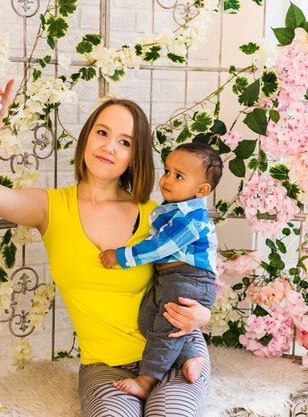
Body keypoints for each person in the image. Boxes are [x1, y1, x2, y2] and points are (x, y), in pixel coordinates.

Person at [0, 74, 212, 417]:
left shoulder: (157, 216)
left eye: (125, 142)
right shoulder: (50, 207)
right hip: (105, 369)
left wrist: (202, 315)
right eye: (102, 133)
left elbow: (196, 273)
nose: (109, 147)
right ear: (86, 137)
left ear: (135, 155)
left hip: (175, 356)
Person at [99, 143, 222, 400]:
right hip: (170, 278)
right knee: (148, 321)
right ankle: (192, 355)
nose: (167, 179)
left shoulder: (191, 219)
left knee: (166, 327)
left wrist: (121, 256)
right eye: (167, 171)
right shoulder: (172, 209)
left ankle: (146, 380)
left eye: (179, 176)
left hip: (191, 280)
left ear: (201, 190)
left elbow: (160, 247)